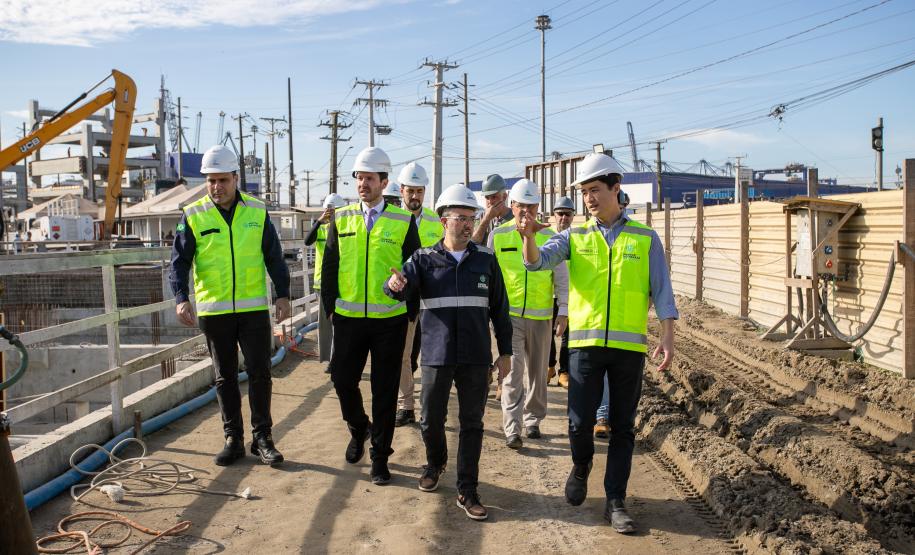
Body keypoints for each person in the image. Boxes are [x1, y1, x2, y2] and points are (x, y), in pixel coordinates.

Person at [517, 152, 677, 534]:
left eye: (594, 190)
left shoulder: (645, 239)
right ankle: (581, 464)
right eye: (584, 192)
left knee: (623, 427)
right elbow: (538, 263)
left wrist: (668, 336)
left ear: (615, 188)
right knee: (578, 423)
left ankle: (615, 501)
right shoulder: (575, 236)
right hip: (585, 346)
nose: (588, 199)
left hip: (628, 349)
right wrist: (528, 239)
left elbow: (663, 291)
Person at [384, 183, 511, 521]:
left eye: (473, 217)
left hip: (475, 356)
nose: (469, 224)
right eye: (461, 217)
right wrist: (393, 285)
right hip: (437, 354)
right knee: (430, 420)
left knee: (472, 423)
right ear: (443, 221)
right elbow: (399, 287)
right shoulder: (424, 259)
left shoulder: (485, 259)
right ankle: (435, 462)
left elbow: (500, 308)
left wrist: (506, 352)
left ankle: (467, 488)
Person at [169, 144, 290, 467]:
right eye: (210, 181)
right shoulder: (193, 215)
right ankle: (233, 438)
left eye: (222, 180)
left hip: (252, 309)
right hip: (214, 310)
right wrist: (181, 298)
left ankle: (262, 437)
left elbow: (274, 257)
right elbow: (179, 262)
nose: (216, 187)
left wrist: (283, 294)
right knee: (224, 378)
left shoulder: (257, 210)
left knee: (261, 372)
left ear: (236, 178)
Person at [321, 146, 421, 485]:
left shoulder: (403, 221)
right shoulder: (343, 218)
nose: (362, 183)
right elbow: (330, 266)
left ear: (384, 182)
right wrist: (329, 309)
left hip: (389, 322)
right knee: (342, 380)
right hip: (348, 320)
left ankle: (380, 457)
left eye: (369, 178)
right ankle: (358, 427)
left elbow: (414, 267)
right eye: (359, 178)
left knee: (385, 390)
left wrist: (407, 300)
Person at [489, 179, 568, 449]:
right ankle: (513, 428)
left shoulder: (548, 236)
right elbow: (490, 274)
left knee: (537, 374)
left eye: (531, 206)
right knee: (512, 373)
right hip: (508, 317)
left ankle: (533, 419)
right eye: (520, 206)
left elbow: (561, 276)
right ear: (511, 206)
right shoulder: (499, 235)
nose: (526, 212)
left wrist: (564, 310)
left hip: (541, 315)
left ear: (538, 207)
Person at [393, 162, 443, 427]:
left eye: (419, 191)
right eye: (410, 191)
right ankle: (406, 406)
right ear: (401, 190)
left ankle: (430, 405)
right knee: (403, 354)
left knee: (433, 355)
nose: (415, 196)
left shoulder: (436, 221)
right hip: (405, 298)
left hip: (433, 298)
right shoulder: (391, 219)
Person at [595, 191, 631, 438]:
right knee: (600, 377)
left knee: (613, 379)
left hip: (624, 327)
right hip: (593, 325)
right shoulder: (586, 235)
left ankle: (606, 416)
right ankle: (601, 416)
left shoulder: (639, 236)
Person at [305, 192, 347, 371]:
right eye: (328, 210)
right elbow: (308, 241)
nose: (331, 213)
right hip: (321, 283)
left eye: (334, 210)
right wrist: (319, 222)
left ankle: (337, 359)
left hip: (344, 283)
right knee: (326, 325)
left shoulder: (347, 228)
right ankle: (330, 361)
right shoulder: (321, 228)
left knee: (341, 324)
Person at [548, 196, 575, 389]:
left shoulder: (578, 239)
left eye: (567, 214)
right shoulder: (547, 237)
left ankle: (564, 372)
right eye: (560, 214)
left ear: (573, 216)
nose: (563, 218)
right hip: (549, 295)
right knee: (547, 335)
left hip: (573, 295)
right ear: (554, 215)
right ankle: (549, 367)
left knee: (568, 336)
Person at [470, 174, 513, 246]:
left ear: (504, 197)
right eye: (487, 197)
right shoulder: (481, 217)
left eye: (494, 197)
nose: (490, 201)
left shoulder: (514, 216)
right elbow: (473, 243)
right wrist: (486, 219)